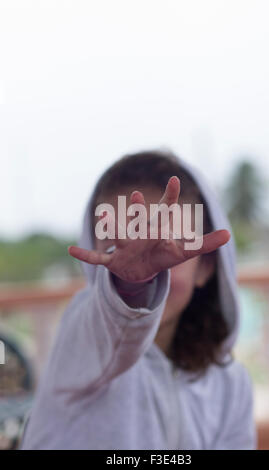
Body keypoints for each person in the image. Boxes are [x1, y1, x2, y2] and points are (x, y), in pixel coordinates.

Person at [21, 150, 256, 450]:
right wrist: (131, 285)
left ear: (206, 267)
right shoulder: (79, 341)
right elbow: (113, 316)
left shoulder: (231, 385)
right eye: (118, 248)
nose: (147, 266)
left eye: (165, 246)